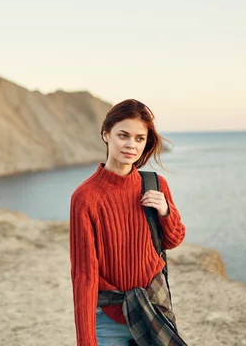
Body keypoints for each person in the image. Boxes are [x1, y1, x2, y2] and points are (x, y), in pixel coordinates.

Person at [70, 99, 187, 346]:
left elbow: (173, 240)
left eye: (139, 138)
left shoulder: (155, 185)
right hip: (108, 320)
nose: (131, 145)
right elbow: (84, 275)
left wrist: (165, 211)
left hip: (153, 311)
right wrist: (86, 341)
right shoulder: (85, 197)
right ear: (106, 134)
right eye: (123, 135)